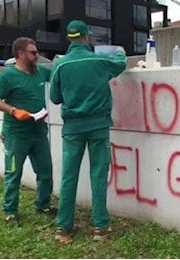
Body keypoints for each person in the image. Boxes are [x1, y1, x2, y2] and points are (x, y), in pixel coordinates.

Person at [49, 20, 127, 244]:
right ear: (86, 37)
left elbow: (55, 97)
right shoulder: (98, 60)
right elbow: (120, 64)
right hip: (98, 126)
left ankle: (63, 228)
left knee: (68, 177)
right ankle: (100, 227)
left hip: (72, 128)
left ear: (69, 38)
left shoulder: (60, 65)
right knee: (98, 176)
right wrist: (120, 51)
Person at [0, 37, 57, 225]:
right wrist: (13, 111)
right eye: (33, 53)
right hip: (16, 135)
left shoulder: (40, 72)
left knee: (45, 172)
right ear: (20, 54)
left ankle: (43, 205)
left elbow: (59, 76)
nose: (37, 56)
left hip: (38, 133)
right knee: (13, 174)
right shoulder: (7, 76)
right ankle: (10, 211)